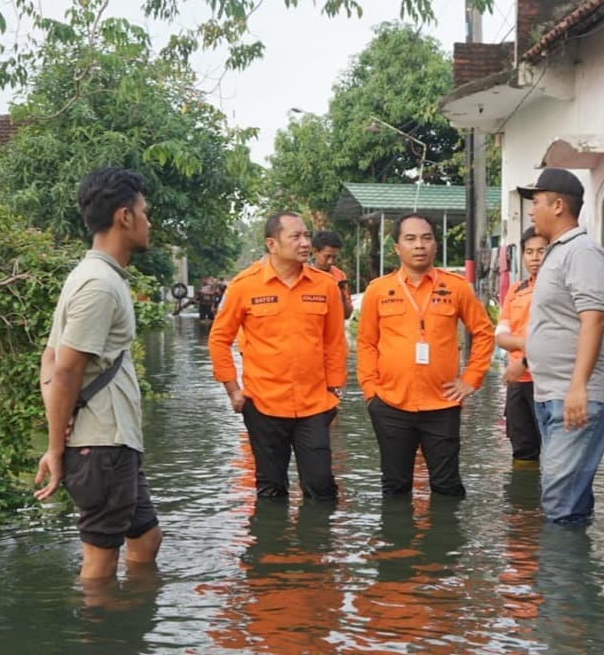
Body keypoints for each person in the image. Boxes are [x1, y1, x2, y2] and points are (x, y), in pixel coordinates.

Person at [34, 166, 163, 579]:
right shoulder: (98, 285)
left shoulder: (93, 276)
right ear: (125, 217)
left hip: (113, 441)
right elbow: (65, 370)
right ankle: (98, 632)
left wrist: (63, 422)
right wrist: (56, 448)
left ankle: (129, 621)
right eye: (145, 211)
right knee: (100, 561)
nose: (149, 221)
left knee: (146, 538)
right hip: (102, 445)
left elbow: (49, 360)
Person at [208, 212, 347, 501]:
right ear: (272, 244)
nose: (305, 243)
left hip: (313, 405)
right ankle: (272, 545)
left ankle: (317, 544)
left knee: (321, 487)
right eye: (295, 237)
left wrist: (334, 389)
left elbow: (334, 341)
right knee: (271, 491)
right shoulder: (244, 286)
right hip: (263, 405)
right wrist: (232, 390)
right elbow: (220, 339)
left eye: (306, 236)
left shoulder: (325, 286)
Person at [356, 213, 495, 497]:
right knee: (395, 486)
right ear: (396, 248)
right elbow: (366, 342)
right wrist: (371, 390)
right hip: (391, 404)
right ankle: (397, 541)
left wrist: (471, 378)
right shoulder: (378, 290)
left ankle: (444, 541)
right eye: (410, 238)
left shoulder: (455, 287)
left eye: (426, 238)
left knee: (447, 486)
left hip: (442, 403)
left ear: (435, 245)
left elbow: (483, 332)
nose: (419, 245)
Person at [517, 167, 604, 525]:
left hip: (579, 394)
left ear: (558, 205)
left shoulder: (583, 252)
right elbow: (558, 322)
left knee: (559, 501)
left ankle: (560, 579)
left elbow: (592, 319)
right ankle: (573, 577)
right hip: (553, 392)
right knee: (570, 498)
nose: (531, 211)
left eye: (536, 202)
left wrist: (578, 386)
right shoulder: (556, 253)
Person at [497, 227, 549, 462]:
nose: (535, 257)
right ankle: (523, 498)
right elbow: (500, 335)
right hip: (517, 381)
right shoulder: (516, 290)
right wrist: (523, 345)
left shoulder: (558, 289)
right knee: (521, 448)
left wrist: (525, 356)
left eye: (541, 251)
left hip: (548, 381)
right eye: (529, 252)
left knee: (553, 447)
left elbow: (556, 338)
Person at [311, 230, 354, 318]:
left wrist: (341, 293)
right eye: (327, 256)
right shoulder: (303, 275)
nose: (330, 261)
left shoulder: (340, 276)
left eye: (334, 257)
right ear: (315, 252)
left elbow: (347, 314)